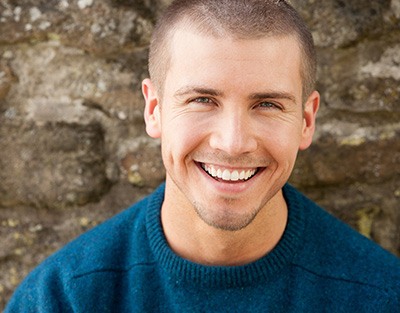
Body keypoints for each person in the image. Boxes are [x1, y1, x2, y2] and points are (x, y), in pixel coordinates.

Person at [5, 0, 400, 311]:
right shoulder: (64, 298)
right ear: (154, 109)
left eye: (266, 104)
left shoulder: (381, 296)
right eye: (202, 100)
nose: (232, 143)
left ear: (306, 120)